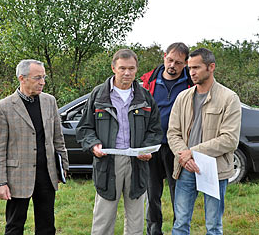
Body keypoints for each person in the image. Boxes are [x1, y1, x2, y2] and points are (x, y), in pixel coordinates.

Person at [76, 49, 163, 235]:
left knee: (136, 221)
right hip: (107, 163)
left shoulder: (146, 98)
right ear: (113, 68)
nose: (127, 73)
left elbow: (155, 130)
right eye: (122, 68)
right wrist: (93, 144)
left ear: (137, 69)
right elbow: (84, 129)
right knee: (103, 220)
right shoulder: (98, 95)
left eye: (131, 68)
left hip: (137, 164)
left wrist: (147, 148)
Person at [0, 59, 69, 235]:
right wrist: (0, 183)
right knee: (15, 226)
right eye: (37, 78)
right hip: (18, 177)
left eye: (44, 77)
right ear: (22, 78)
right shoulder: (3, 107)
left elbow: (58, 138)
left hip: (46, 175)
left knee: (47, 226)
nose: (42, 82)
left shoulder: (50, 101)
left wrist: (62, 168)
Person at [167, 48, 241, 234]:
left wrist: (194, 151)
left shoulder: (229, 98)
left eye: (197, 67)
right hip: (186, 167)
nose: (191, 72)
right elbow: (173, 133)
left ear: (211, 67)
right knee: (180, 224)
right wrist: (185, 157)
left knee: (213, 226)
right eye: (190, 68)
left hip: (214, 169)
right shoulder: (182, 97)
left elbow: (229, 139)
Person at [141, 42, 193, 235]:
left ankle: (178, 230)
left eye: (178, 63)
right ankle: (154, 231)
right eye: (170, 60)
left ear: (186, 63)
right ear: (164, 56)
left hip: (178, 147)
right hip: (152, 146)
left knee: (178, 194)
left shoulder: (190, 83)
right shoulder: (149, 82)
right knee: (152, 193)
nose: (172, 65)